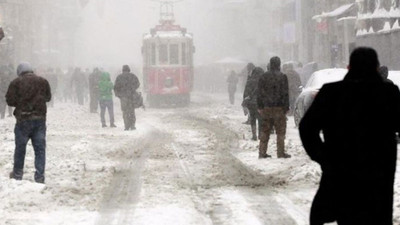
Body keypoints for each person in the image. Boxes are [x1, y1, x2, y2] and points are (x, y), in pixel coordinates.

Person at [299, 47, 400, 225]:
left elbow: (307, 127)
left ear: (349, 67)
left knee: (346, 216)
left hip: (341, 172)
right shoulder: (388, 93)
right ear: (376, 67)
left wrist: (323, 157)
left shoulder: (332, 93)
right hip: (379, 175)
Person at [6, 62, 51, 183]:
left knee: (20, 149)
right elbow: (48, 98)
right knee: (40, 149)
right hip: (39, 120)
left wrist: (21, 102)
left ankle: (17, 174)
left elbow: (9, 101)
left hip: (23, 120)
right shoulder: (43, 81)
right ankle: (40, 176)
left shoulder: (15, 82)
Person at [257, 56, 290, 159]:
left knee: (265, 131)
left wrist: (260, 106)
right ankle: (280, 153)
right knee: (280, 132)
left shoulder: (263, 77)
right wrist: (286, 107)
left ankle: (262, 152)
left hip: (266, 108)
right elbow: (285, 93)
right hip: (279, 108)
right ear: (279, 64)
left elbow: (259, 93)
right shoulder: (283, 77)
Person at [114, 65, 140, 130]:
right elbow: (138, 84)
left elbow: (115, 87)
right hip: (131, 96)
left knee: (125, 111)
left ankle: (126, 126)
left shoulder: (119, 77)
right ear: (129, 69)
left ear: (122, 70)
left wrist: (118, 95)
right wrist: (133, 89)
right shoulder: (132, 76)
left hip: (123, 97)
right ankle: (132, 125)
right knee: (131, 111)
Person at [243, 67, 264, 140]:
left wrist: (245, 102)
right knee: (261, 119)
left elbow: (246, 93)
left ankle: (254, 134)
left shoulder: (250, 81)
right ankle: (260, 135)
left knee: (253, 118)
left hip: (251, 103)